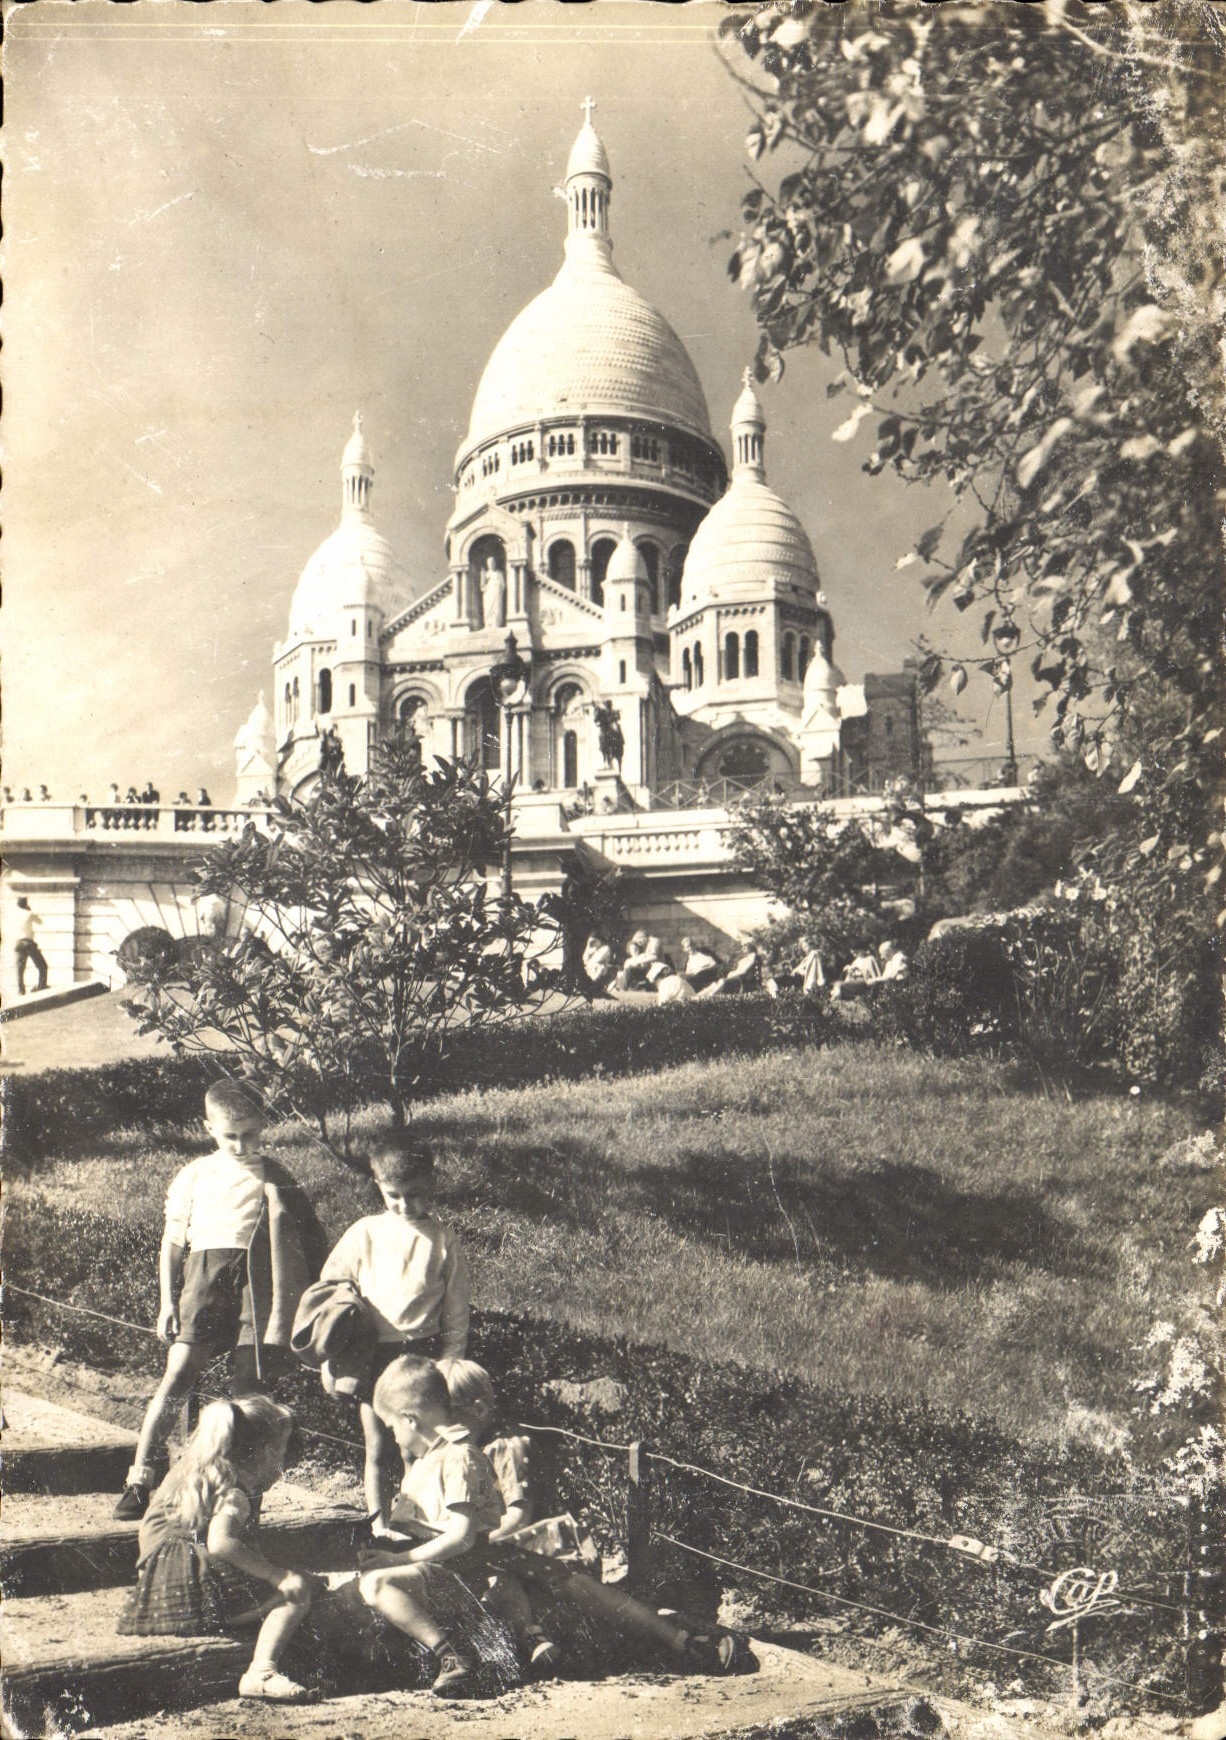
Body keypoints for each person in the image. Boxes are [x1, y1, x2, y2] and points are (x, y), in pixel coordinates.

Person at [441, 1360, 741, 1678]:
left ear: (477, 1410)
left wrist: (475, 1541)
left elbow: (519, 1514)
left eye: (447, 1415)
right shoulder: (458, 1451)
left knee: (576, 1587)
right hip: (495, 1552)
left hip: (533, 1545)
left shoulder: (504, 1448)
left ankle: (678, 1639)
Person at [113, 1083, 310, 1521]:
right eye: (230, 1136)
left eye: (251, 1133)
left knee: (249, 1392)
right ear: (210, 1130)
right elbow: (172, 1246)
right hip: (205, 1277)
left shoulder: (275, 1174)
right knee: (179, 1374)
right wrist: (167, 1302)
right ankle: (140, 1479)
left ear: (263, 1125)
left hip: (255, 1283)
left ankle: (241, 1494)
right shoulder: (195, 1173)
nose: (242, 1145)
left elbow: (302, 1238)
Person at [117, 1395, 325, 1703]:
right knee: (297, 1592)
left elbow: (153, 1528)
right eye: (281, 1454)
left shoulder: (194, 1468)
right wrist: (277, 1576)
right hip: (196, 1587)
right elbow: (220, 1542)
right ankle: (261, 1671)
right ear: (268, 1452)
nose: (281, 1465)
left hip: (159, 1579)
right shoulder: (236, 1492)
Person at [317, 1135, 469, 1538]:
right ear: (378, 1186)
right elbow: (332, 1281)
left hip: (421, 1353)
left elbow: (456, 1307)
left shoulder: (442, 1239)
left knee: (415, 1446)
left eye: (414, 1194)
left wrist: (451, 1359)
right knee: (378, 1445)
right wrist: (345, 1303)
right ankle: (379, 1526)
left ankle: (413, 1523)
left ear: (432, 1184)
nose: (404, 1205)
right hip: (373, 1353)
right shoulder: (366, 1232)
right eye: (393, 1195)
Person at [354, 1356, 510, 1697]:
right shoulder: (429, 1460)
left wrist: (397, 1560)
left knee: (377, 1585)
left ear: (410, 1420)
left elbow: (461, 1537)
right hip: (430, 1574)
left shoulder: (460, 1457)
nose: (394, 1438)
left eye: (392, 1427)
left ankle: (453, 1654)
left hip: (458, 1579)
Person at [13, 896, 48, 994]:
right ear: (25, 903)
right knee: (42, 966)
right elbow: (40, 922)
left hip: (18, 943)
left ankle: (21, 990)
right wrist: (29, 909)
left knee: (20, 968)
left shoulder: (14, 915)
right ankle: (41, 986)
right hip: (28, 943)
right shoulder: (29, 913)